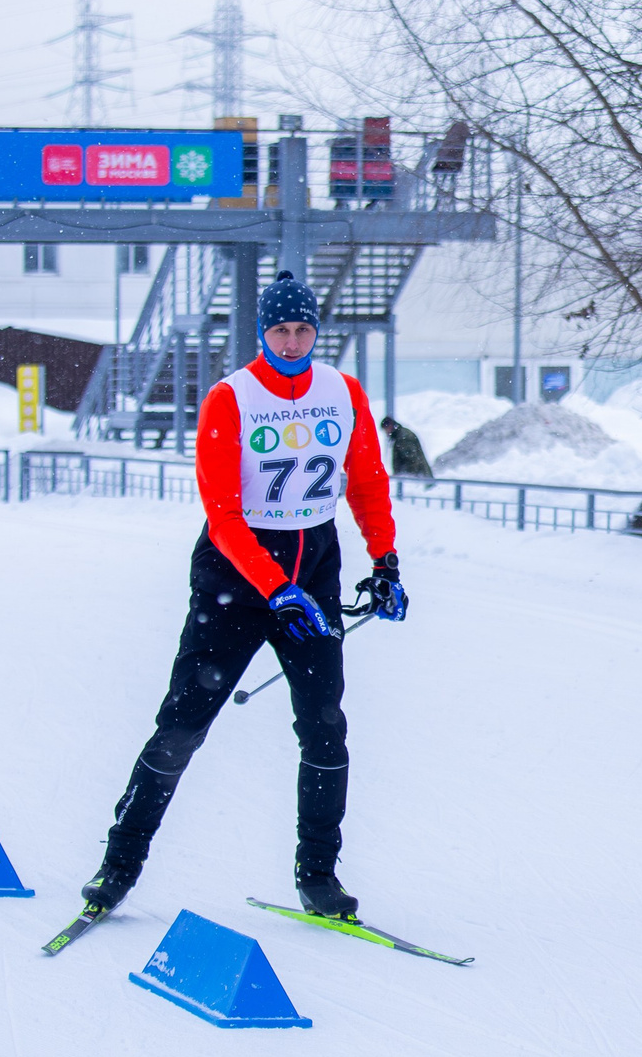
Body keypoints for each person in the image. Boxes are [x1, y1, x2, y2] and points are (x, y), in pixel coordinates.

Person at [77, 272, 411, 921]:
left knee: (325, 727)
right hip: (234, 579)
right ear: (262, 332)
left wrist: (385, 560)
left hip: (311, 573)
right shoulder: (232, 397)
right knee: (183, 725)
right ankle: (118, 865)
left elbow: (368, 481)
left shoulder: (342, 392)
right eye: (281, 330)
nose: (292, 342)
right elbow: (224, 514)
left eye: (303, 329)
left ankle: (318, 874)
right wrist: (275, 587)